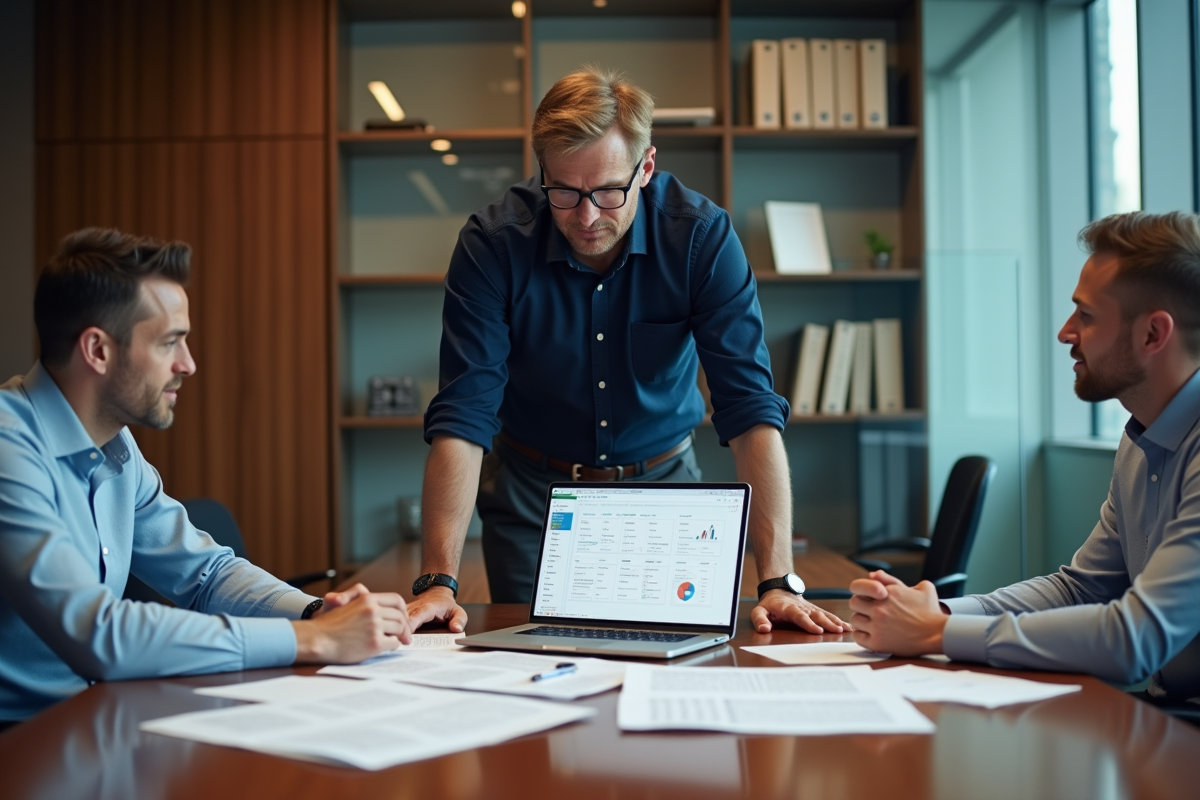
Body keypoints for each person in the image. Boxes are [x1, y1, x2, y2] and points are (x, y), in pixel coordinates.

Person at [408, 67, 848, 637]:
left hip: (665, 489)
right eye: (563, 192)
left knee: (680, 665)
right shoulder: (493, 246)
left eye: (608, 191)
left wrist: (777, 582)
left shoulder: (699, 238)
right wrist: (437, 581)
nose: (587, 216)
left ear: (646, 167)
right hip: (534, 500)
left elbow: (750, 411)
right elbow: (464, 417)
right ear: (542, 170)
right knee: (533, 675)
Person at [0, 228, 413, 725]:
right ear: (98, 350)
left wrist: (315, 613)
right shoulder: (9, 447)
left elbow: (206, 574)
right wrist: (315, 640)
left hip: (93, 724)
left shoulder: (115, 446)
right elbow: (99, 636)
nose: (188, 364)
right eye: (170, 342)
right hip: (21, 746)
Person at [849, 211, 1200, 701]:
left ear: (1152, 335)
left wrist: (935, 634)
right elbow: (1080, 590)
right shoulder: (1141, 437)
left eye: (1087, 315)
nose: (1065, 331)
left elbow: (1132, 640)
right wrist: (940, 612)